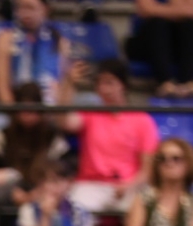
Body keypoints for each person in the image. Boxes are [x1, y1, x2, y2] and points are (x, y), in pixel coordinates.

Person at [60, 59, 158, 216]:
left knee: (146, 207)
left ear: (123, 85)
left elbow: (147, 170)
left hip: (129, 186)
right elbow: (64, 121)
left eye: (109, 83)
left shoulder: (143, 120)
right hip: (91, 185)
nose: (103, 89)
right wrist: (69, 83)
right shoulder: (90, 114)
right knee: (74, 207)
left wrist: (128, 185)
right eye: (100, 83)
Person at [0, 0, 72, 113]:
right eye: (21, 8)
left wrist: (56, 110)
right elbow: (1, 85)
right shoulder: (5, 39)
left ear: (45, 10)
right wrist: (14, 113)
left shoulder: (60, 42)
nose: (25, 13)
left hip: (51, 107)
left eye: (31, 8)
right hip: (16, 107)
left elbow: (65, 84)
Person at [128, 0, 193, 98]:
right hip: (149, 42)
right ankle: (165, 82)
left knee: (190, 25)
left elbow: (192, 11)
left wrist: (158, 10)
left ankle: (186, 81)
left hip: (178, 42)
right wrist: (177, 11)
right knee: (157, 24)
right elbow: (146, 10)